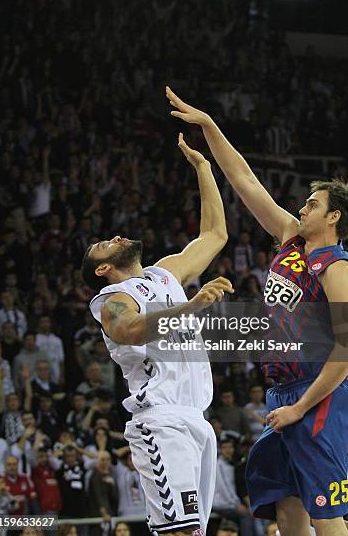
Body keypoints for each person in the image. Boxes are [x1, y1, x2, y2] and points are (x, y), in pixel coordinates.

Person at [166, 87, 348, 536]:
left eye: (313, 203)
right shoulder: (290, 236)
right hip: (282, 390)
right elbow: (244, 180)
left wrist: (301, 408)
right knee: (286, 507)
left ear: (334, 217)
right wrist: (209, 127)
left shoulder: (337, 268)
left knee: (323, 512)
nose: (302, 205)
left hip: (319, 395)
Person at [82, 135, 232, 536]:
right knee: (179, 532)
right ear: (102, 269)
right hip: (160, 419)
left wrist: (203, 168)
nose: (114, 238)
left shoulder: (165, 273)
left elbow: (215, 235)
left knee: (192, 532)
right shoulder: (110, 298)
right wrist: (191, 306)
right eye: (103, 245)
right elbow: (129, 330)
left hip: (197, 418)